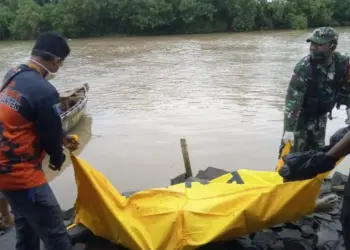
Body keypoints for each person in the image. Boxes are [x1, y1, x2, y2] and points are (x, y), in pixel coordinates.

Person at [0, 31, 79, 250]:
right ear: (55, 60)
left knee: (26, 222)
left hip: (3, 167)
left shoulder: (13, 74)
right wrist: (57, 154)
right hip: (21, 175)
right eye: (60, 63)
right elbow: (49, 136)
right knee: (55, 232)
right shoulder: (45, 91)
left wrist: (63, 137)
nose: (59, 68)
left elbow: (32, 115)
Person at [279, 27, 350, 157]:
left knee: (317, 152)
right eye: (312, 43)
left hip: (321, 114)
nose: (313, 48)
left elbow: (347, 88)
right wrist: (289, 130)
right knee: (292, 153)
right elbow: (293, 101)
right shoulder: (304, 67)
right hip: (300, 116)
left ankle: (314, 176)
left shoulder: (344, 63)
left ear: (332, 46)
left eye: (319, 44)